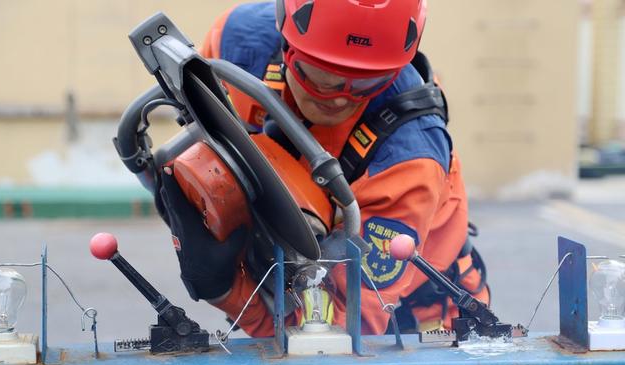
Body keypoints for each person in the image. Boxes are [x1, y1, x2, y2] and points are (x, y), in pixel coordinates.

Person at [159, 0, 490, 337]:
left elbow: (334, 341)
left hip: (417, 319)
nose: (340, 99)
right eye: (322, 78)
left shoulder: (407, 162)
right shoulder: (238, 41)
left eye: (364, 83)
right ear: (286, 44)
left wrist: (226, 290)